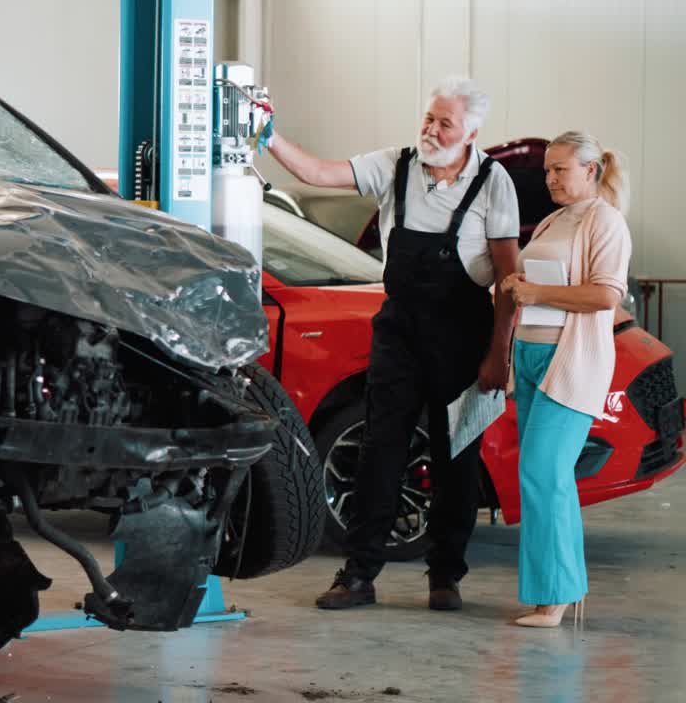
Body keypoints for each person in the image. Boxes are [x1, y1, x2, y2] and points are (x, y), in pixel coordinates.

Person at [261, 76, 521, 611]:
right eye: (429, 117)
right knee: (381, 450)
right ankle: (358, 574)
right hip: (399, 330)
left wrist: (500, 352)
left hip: (464, 332)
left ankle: (445, 576)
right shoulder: (395, 165)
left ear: (471, 132)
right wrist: (268, 136)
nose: (430, 128)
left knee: (458, 456)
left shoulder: (494, 182)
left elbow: (508, 275)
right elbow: (319, 173)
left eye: (444, 122)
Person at [500, 131, 632, 627]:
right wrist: (519, 288)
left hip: (570, 361)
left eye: (561, 170)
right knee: (544, 477)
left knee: (542, 472)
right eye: (548, 170)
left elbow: (604, 297)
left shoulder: (606, 221)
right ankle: (559, 591)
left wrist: (537, 293)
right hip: (532, 358)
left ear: (591, 169)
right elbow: (538, 288)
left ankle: (554, 598)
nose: (550, 178)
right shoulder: (556, 219)